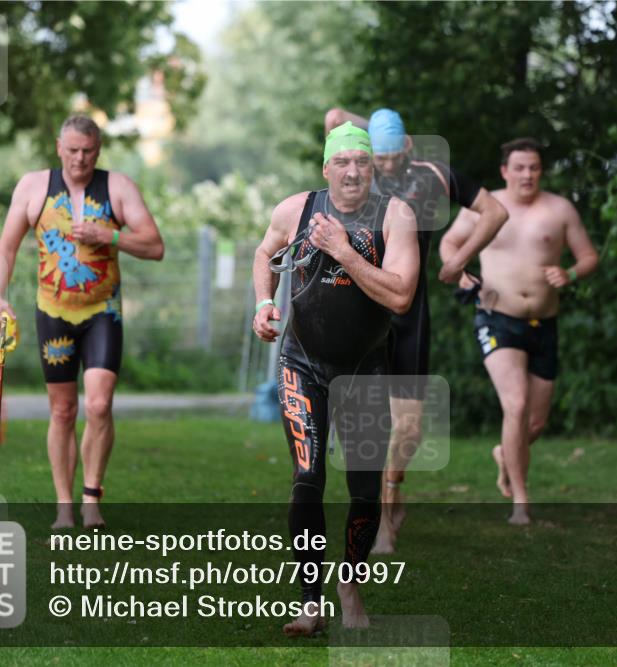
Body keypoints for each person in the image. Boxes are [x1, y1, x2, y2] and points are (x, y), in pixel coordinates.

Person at [252, 122, 418, 635]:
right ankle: (310, 601)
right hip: (302, 363)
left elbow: (401, 296)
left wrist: (344, 251)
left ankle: (350, 584)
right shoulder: (296, 210)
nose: (352, 172)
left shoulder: (395, 216)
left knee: (365, 491)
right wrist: (263, 301)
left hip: (365, 368)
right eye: (342, 162)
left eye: (362, 162)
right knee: (307, 479)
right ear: (326, 168)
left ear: (373, 169)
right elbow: (264, 253)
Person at [325, 107, 508, 553]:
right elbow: (334, 116)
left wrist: (458, 259)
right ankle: (382, 517)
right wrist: (376, 126)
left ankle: (392, 496)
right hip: (359, 313)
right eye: (379, 157)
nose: (385, 166)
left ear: (408, 146)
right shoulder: (357, 169)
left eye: (392, 157)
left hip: (408, 316)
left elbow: (494, 211)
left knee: (409, 430)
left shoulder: (432, 174)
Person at [0, 115, 164, 529]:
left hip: (103, 311)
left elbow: (155, 246)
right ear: (59, 147)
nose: (80, 159)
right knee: (63, 410)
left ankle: (91, 498)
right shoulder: (33, 187)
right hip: (53, 313)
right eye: (72, 150)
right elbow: (6, 249)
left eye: (87, 151)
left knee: (99, 404)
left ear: (98, 150)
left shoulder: (118, 187)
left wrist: (110, 236)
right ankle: (64, 506)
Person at [440, 138, 598, 525]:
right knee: (516, 404)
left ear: (541, 171)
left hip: (544, 323)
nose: (527, 174)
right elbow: (449, 241)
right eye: (520, 168)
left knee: (535, 423)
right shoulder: (487, 206)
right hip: (497, 317)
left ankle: (504, 453)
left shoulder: (559, 209)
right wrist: (460, 271)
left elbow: (588, 257)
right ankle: (521, 505)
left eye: (534, 167)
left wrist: (570, 273)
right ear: (505, 171)